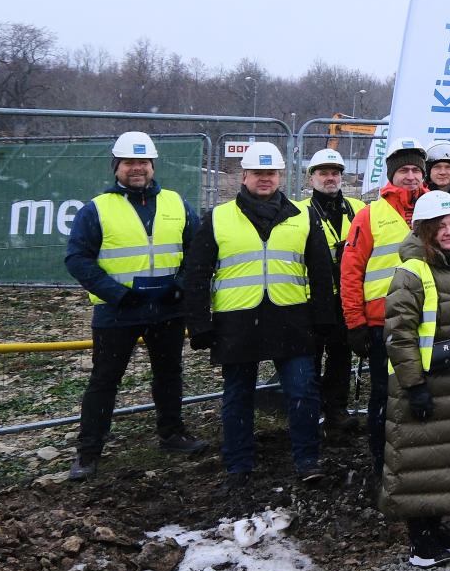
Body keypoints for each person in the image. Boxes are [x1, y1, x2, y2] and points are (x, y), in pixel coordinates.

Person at [182, 143, 332, 491]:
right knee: (238, 396)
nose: (265, 179)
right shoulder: (218, 218)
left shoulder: (302, 216)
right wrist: (199, 323)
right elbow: (196, 274)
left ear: (281, 176)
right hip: (237, 322)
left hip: (291, 319)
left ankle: (307, 460)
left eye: (271, 173)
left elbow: (321, 271)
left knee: (303, 391)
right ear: (244, 175)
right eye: (258, 173)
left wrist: (324, 317)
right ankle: (238, 466)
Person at [64, 131, 206, 481]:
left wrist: (180, 287)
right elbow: (77, 259)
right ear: (117, 166)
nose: (137, 168)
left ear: (153, 165)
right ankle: (88, 452)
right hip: (118, 312)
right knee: (104, 380)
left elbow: (198, 250)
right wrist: (117, 294)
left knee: (169, 374)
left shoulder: (176, 203)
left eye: (143, 162)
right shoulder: (97, 209)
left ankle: (172, 434)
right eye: (129, 162)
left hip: (167, 308)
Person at [379, 191, 450, 568]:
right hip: (424, 383)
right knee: (417, 463)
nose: (449, 231)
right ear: (425, 231)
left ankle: (435, 528)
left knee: (442, 461)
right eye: (440, 227)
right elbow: (399, 334)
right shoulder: (413, 272)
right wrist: (414, 385)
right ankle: (420, 540)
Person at [340, 136, 428, 473]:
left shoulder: (436, 209)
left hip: (428, 322)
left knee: (424, 392)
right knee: (384, 394)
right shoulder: (369, 216)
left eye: (416, 171)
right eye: (404, 171)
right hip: (383, 324)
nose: (410, 177)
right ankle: (382, 462)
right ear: (392, 175)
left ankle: (418, 459)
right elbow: (351, 272)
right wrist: (355, 323)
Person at [296, 147, 364, 438]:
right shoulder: (299, 212)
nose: (330, 178)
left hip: (346, 297)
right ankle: (310, 414)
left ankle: (336, 410)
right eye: (323, 173)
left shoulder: (358, 208)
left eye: (335, 173)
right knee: (310, 358)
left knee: (341, 355)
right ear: (311, 178)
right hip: (312, 298)